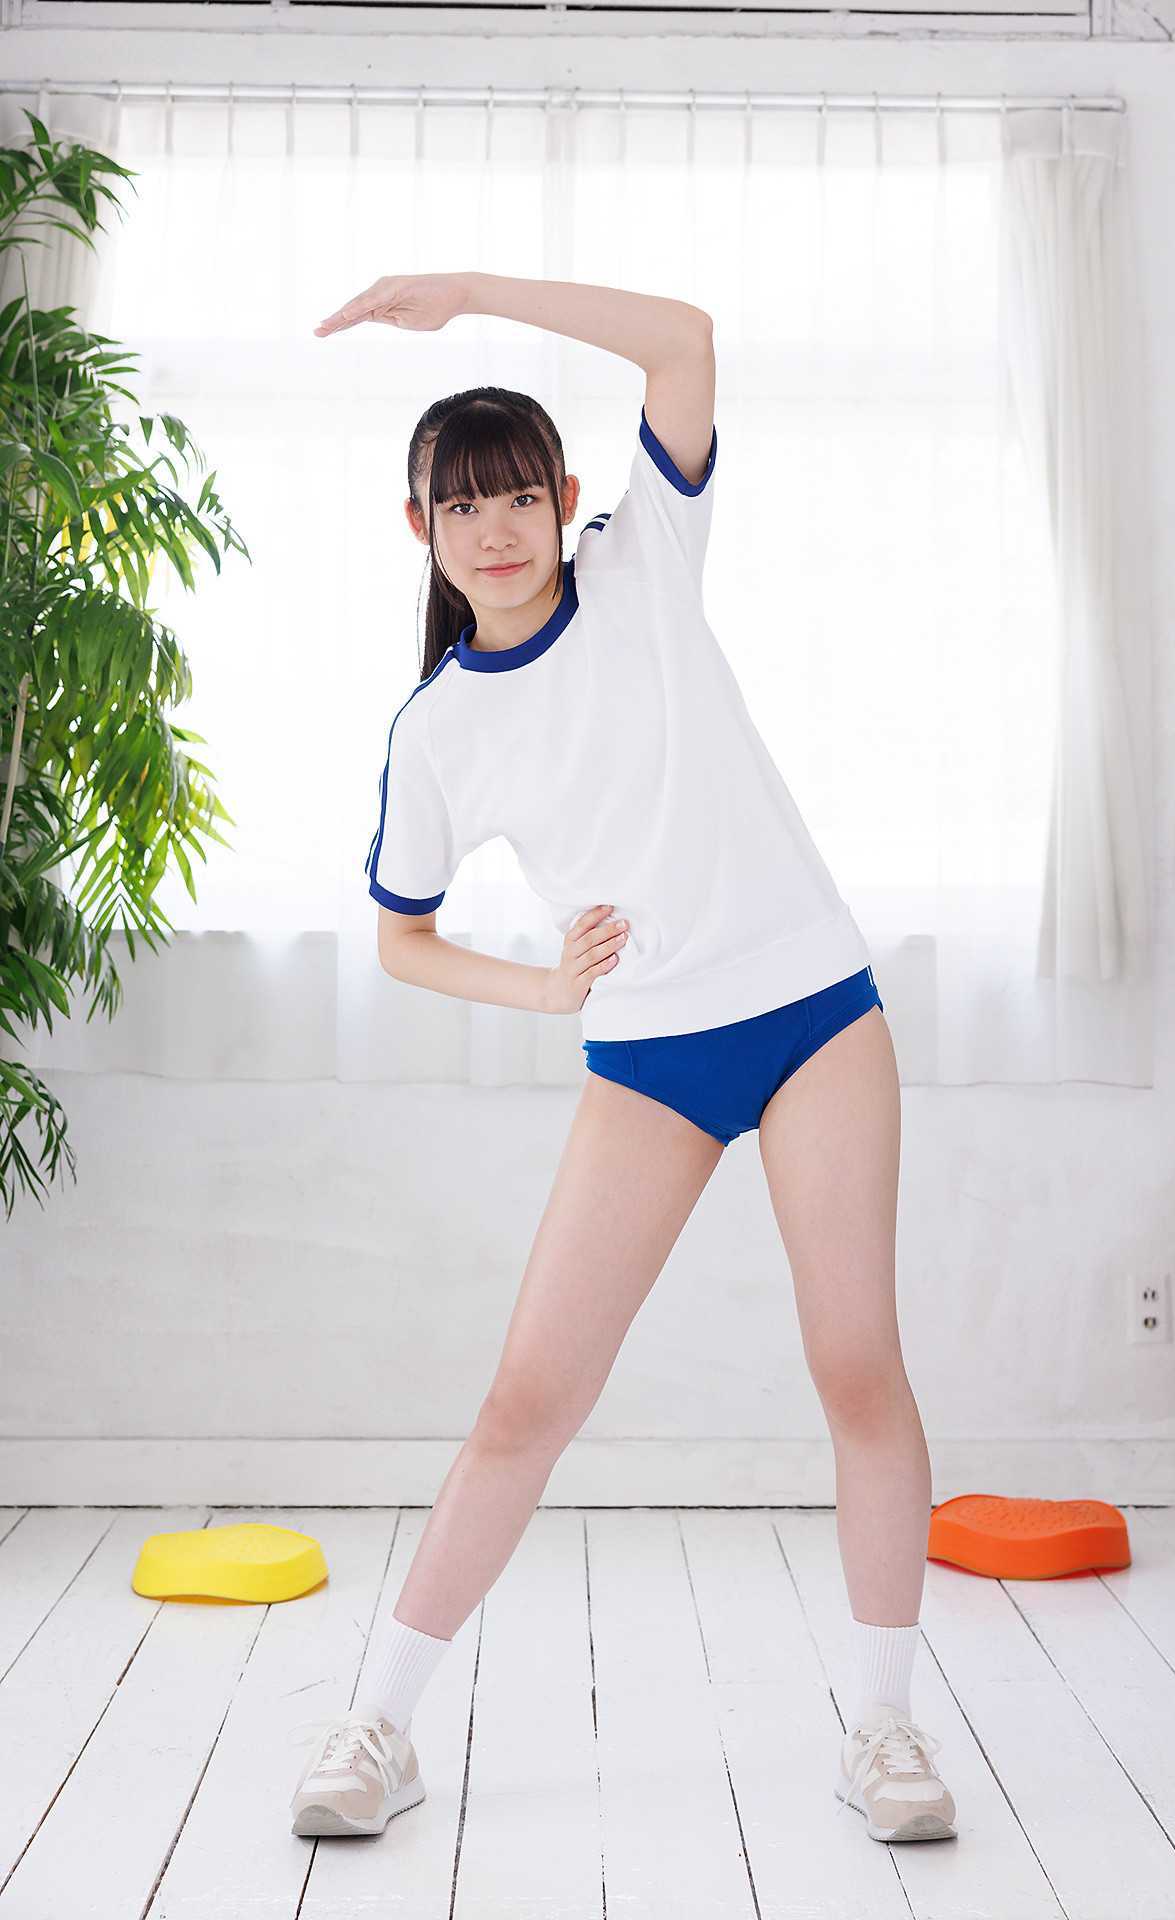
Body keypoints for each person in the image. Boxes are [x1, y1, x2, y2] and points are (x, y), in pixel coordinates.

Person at [288, 270, 957, 1848]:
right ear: (420, 530)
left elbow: (684, 342)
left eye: (519, 494)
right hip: (650, 1052)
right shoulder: (435, 730)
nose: (496, 529)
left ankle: (883, 1728)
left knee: (854, 1362)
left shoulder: (641, 560)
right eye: (463, 506)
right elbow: (400, 936)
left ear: (563, 496)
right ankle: (378, 1725)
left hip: (811, 1012)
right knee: (528, 1394)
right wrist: (540, 990)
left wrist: (465, 295)